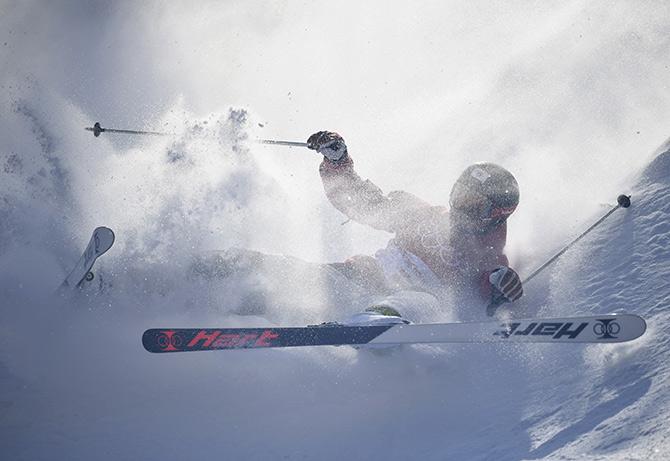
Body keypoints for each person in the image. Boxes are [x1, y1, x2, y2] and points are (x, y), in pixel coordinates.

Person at [307, 131, 523, 324]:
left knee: (422, 299)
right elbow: (364, 205)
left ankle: (377, 319)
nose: (461, 209)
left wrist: (502, 285)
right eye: (460, 197)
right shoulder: (422, 215)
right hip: (370, 276)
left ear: (495, 216)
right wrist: (338, 163)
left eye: (474, 205)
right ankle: (274, 282)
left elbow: (489, 290)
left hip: (413, 303)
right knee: (318, 278)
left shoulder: (486, 257)